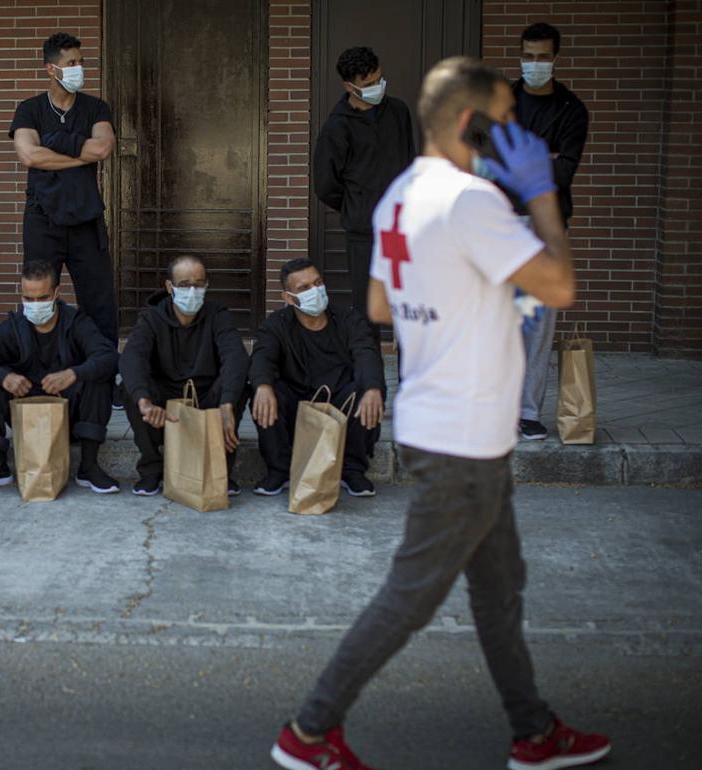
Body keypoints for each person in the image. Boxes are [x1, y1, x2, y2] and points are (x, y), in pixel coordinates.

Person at [269, 57, 610, 770]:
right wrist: (542, 194)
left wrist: (463, 294)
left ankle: (533, 730)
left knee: (499, 586)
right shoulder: (470, 201)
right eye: (504, 121)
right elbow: (559, 284)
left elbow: (378, 307)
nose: (512, 134)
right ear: (468, 121)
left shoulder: (400, 199)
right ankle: (309, 730)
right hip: (462, 436)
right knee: (412, 594)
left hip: (451, 426)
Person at [0, 260, 119, 494]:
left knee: (98, 375)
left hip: (70, 416)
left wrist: (74, 373)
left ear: (56, 293)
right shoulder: (14, 327)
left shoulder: (76, 322)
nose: (34, 305)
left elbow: (109, 357)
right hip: (27, 418)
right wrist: (3, 376)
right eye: (28, 299)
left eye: (42, 298)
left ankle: (89, 465)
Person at [9, 32, 117, 346]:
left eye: (81, 62)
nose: (79, 68)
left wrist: (56, 143)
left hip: (86, 219)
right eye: (71, 63)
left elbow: (103, 149)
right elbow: (29, 154)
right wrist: (77, 156)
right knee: (38, 299)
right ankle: (37, 372)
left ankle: (103, 375)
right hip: (43, 221)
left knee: (99, 304)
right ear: (51, 68)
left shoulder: (96, 108)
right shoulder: (29, 109)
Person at [249, 258, 385, 498]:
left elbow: (367, 353)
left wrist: (373, 388)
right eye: (304, 288)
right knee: (266, 390)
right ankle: (279, 470)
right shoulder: (276, 325)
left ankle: (352, 470)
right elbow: (262, 357)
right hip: (296, 406)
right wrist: (262, 385)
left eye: (318, 283)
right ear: (289, 298)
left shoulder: (349, 319)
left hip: (339, 404)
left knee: (367, 388)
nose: (315, 291)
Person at [512, 22, 589, 442]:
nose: (534, 64)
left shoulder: (571, 110)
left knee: (537, 322)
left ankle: (527, 412)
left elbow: (564, 171)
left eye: (542, 57)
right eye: (528, 56)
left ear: (555, 58)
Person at [119, 255, 250, 497]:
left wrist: (227, 402)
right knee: (131, 388)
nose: (192, 291)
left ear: (207, 286)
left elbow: (235, 355)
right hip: (165, 403)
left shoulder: (217, 314)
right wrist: (144, 400)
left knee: (238, 382)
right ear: (169, 287)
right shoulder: (152, 317)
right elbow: (131, 357)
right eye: (184, 284)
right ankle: (151, 470)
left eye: (199, 284)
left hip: (207, 398)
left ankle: (220, 469)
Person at [313, 46, 416, 331]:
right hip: (363, 232)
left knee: (407, 307)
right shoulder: (337, 127)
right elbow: (325, 184)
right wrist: (357, 204)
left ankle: (410, 376)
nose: (377, 88)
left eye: (379, 79)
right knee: (367, 309)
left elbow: (409, 160)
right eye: (368, 84)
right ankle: (368, 375)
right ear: (349, 86)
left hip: (400, 227)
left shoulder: (398, 112)